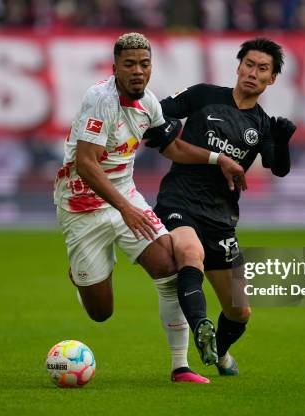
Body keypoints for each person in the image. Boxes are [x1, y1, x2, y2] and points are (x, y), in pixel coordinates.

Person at [53, 32, 246, 384]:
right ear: (115, 69)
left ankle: (180, 367)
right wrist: (125, 208)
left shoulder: (149, 105)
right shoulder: (100, 100)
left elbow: (171, 146)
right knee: (101, 313)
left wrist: (219, 158)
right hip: (82, 206)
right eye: (129, 65)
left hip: (125, 197)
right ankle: (83, 278)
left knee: (169, 265)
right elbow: (86, 164)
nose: (138, 71)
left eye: (144, 64)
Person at [151, 38, 296, 375]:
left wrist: (283, 141)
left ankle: (219, 351)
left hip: (221, 217)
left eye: (262, 69)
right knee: (190, 254)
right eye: (249, 64)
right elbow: (158, 113)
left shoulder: (261, 126)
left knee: (239, 312)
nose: (253, 73)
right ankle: (202, 327)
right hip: (180, 200)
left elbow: (278, 167)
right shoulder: (203, 95)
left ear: (271, 79)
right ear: (238, 66)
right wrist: (167, 127)